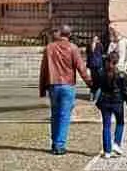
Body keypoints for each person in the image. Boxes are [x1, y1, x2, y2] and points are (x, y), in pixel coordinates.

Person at [39, 27, 91, 155]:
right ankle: (59, 144)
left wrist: (42, 88)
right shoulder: (73, 48)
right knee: (64, 116)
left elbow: (44, 69)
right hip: (67, 84)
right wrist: (90, 83)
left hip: (53, 84)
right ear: (70, 34)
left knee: (55, 115)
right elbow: (81, 67)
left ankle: (55, 142)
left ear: (59, 33)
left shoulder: (50, 48)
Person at [93, 39, 127, 159]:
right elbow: (126, 92)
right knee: (120, 123)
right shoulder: (121, 75)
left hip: (105, 102)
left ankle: (107, 151)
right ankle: (116, 143)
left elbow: (96, 86)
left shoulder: (101, 73)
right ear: (116, 62)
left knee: (106, 125)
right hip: (117, 101)